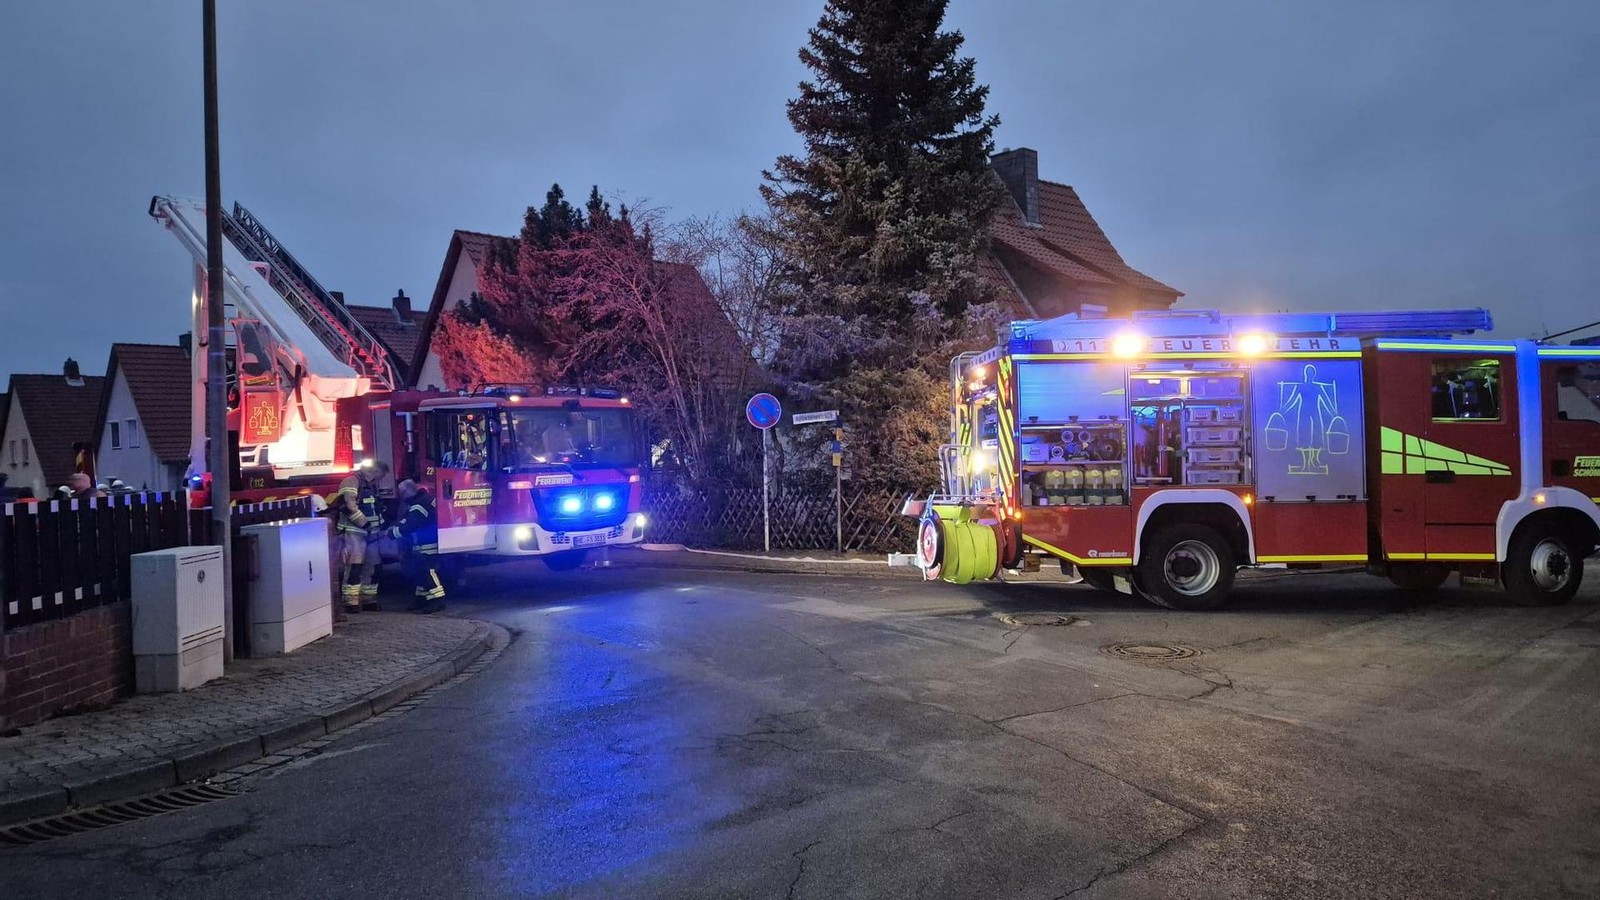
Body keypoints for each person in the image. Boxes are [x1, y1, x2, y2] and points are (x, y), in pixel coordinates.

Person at [335, 460, 388, 613]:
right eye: (381, 475)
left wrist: (381, 525)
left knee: (373, 566)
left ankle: (368, 600)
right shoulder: (351, 480)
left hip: (371, 533)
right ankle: (350, 602)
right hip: (354, 532)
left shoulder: (369, 484)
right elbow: (348, 505)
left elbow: (373, 509)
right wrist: (365, 524)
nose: (381, 479)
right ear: (375, 471)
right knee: (354, 567)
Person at [392, 479, 446, 614]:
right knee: (420, 571)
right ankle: (421, 598)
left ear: (407, 492)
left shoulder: (418, 505)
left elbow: (410, 525)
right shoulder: (427, 499)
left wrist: (392, 533)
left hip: (427, 544)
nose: (401, 497)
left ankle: (437, 600)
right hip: (432, 540)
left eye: (401, 493)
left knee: (428, 571)